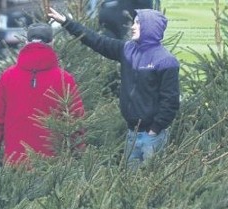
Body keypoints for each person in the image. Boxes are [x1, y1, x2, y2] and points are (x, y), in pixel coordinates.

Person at [48, 6, 180, 170]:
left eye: (138, 23)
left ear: (150, 27)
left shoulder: (166, 61)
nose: (132, 27)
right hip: (132, 133)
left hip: (152, 136)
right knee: (130, 185)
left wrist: (155, 129)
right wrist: (66, 22)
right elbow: (96, 40)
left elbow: (171, 101)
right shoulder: (127, 50)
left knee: (150, 184)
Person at [0, 23, 85, 167]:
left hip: (16, 161)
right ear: (52, 43)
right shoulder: (64, 78)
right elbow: (76, 119)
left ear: (26, 42)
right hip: (54, 163)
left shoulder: (8, 76)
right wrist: (78, 152)